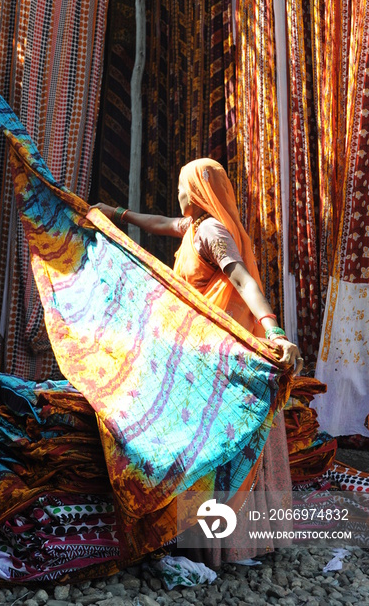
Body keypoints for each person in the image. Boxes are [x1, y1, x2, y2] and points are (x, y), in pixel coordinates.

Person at [93, 157, 303, 565]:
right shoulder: (192, 228)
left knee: (215, 446)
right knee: (204, 442)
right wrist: (116, 214)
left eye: (182, 186)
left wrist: (273, 330)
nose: (178, 193)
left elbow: (243, 280)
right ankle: (206, 538)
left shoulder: (211, 231)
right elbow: (159, 223)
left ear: (200, 192)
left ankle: (216, 543)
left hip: (219, 355)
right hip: (197, 352)